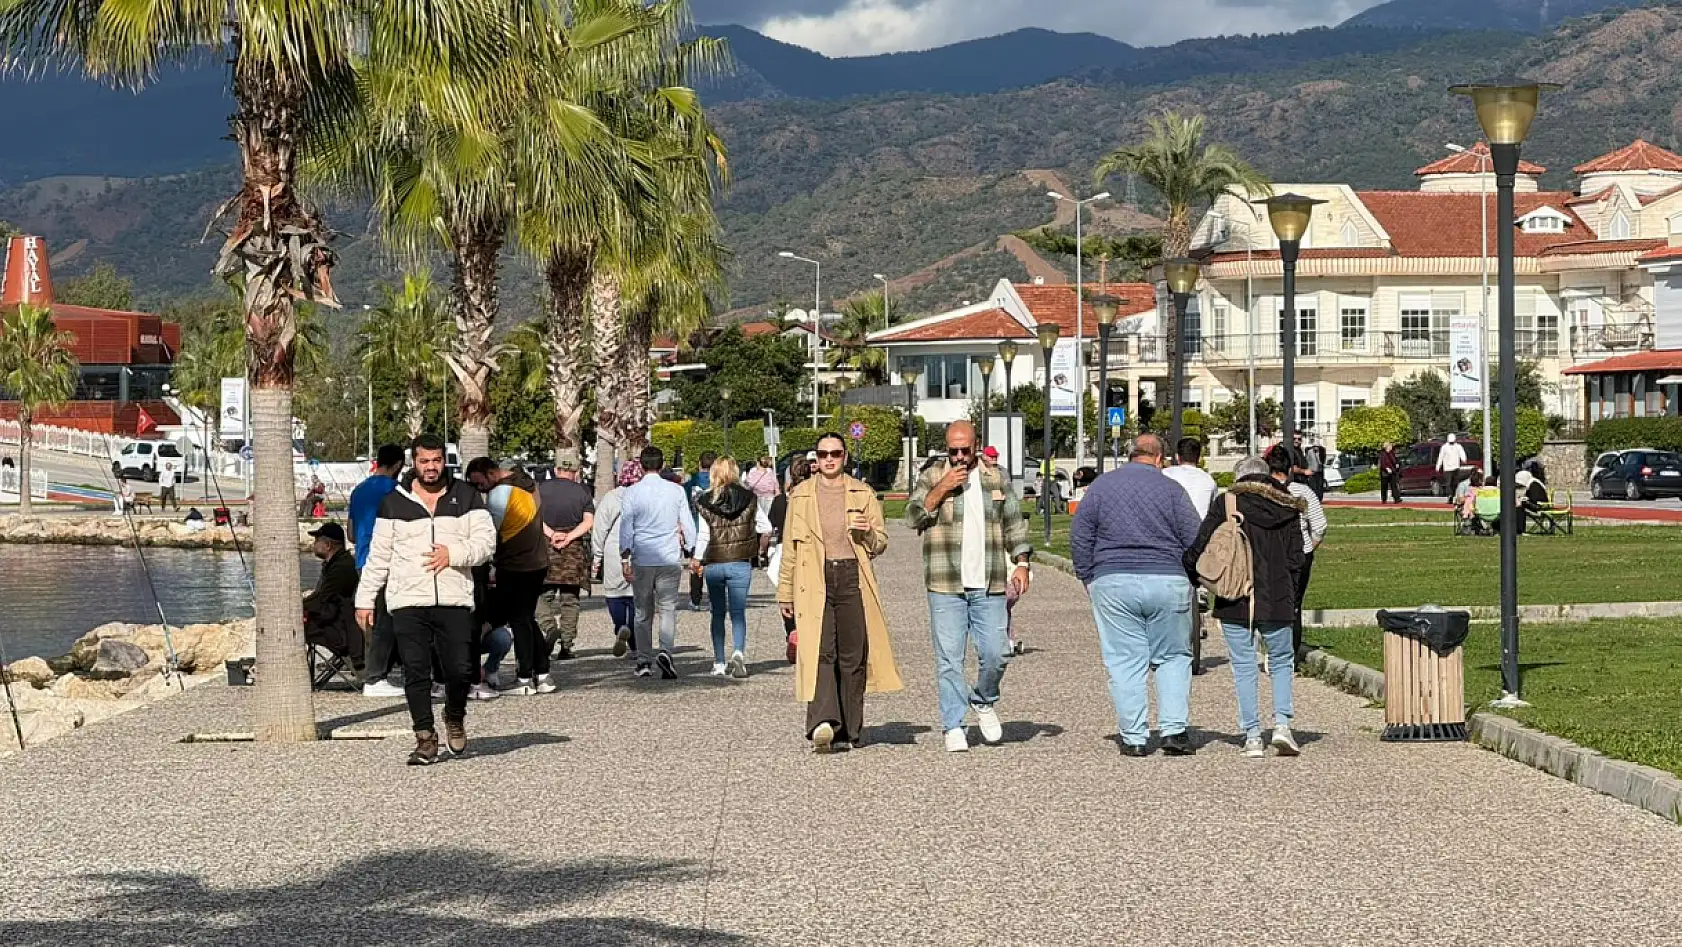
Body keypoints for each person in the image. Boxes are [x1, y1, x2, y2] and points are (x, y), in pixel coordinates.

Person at [355, 433, 495, 766]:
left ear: (444, 461)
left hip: (454, 599)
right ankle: (425, 737)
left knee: (460, 670)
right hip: (407, 600)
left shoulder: (467, 496)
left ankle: (454, 715)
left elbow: (487, 543)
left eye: (436, 461)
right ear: (413, 462)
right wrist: (365, 598)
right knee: (415, 671)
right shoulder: (394, 502)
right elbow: (379, 556)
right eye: (424, 461)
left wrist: (453, 554)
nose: (431, 467)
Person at [1072, 434, 1203, 757]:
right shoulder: (1172, 489)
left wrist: (1088, 576)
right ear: (1159, 458)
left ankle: (1134, 737)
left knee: (1124, 659)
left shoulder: (1101, 487)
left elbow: (1081, 535)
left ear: (1131, 455)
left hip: (1113, 579)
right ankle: (1174, 731)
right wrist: (1190, 578)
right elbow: (1194, 538)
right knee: (1173, 656)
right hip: (1167, 579)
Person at [907, 421, 1031, 753]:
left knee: (997, 652)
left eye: (965, 449)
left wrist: (1022, 562)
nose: (959, 456)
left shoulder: (995, 477)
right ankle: (953, 724)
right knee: (949, 659)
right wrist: (942, 488)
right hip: (945, 583)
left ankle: (983, 699)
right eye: (953, 450)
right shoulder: (933, 475)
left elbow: (1014, 522)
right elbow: (913, 516)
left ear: (976, 445)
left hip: (989, 582)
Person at [780, 432, 901, 753]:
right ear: (816, 459)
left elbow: (880, 543)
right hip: (813, 578)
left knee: (853, 655)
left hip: (852, 577)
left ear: (845, 457)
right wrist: (785, 592)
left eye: (835, 453)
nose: (829, 459)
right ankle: (823, 722)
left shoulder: (863, 493)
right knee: (819, 650)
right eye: (823, 454)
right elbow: (789, 549)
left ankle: (849, 728)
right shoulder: (801, 496)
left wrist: (867, 531)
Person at [1185, 454, 1306, 758]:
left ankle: (1252, 735)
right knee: (1281, 660)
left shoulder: (1227, 503)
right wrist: (1292, 596)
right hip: (1277, 595)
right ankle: (1282, 724)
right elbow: (1296, 558)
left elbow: (1201, 545)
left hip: (1234, 596)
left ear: (1239, 477)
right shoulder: (1288, 505)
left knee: (1243, 664)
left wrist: (1193, 575)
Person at [466, 456, 554, 696]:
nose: (480, 489)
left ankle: (524, 678)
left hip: (515, 564)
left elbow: (489, 533)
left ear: (491, 473)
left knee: (518, 620)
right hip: (537, 561)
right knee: (527, 618)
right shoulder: (527, 484)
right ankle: (542, 674)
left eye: (480, 483)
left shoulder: (499, 494)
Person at [619, 445, 699, 679]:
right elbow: (687, 522)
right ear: (662, 465)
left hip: (643, 557)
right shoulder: (676, 491)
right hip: (669, 556)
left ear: (641, 466)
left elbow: (626, 528)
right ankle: (665, 651)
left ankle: (644, 659)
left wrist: (624, 556)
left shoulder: (632, 493)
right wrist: (691, 549)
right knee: (667, 608)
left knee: (642, 611)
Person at [694, 456, 774, 679]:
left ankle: (719, 662)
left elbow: (703, 535)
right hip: (740, 561)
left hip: (715, 562)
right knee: (738, 612)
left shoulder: (705, 500)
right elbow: (766, 527)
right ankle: (738, 652)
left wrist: (697, 559)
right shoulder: (749, 498)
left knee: (717, 613)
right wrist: (756, 544)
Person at [349, 445, 405, 698]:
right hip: (387, 562)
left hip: (363, 560)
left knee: (371, 618)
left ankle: (374, 672)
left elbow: (351, 533)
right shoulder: (395, 490)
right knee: (386, 620)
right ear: (398, 465)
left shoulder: (358, 490)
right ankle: (376, 677)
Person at [535, 449, 595, 661]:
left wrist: (552, 534)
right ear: (576, 471)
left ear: (555, 469)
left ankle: (549, 627)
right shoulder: (583, 491)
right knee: (570, 599)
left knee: (540, 595)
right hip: (573, 551)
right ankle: (567, 645)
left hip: (546, 548)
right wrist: (569, 537)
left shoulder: (540, 489)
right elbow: (588, 522)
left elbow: (534, 517)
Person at [1274, 444, 1328, 664]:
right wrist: (1310, 547)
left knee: (1272, 601)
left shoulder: (1261, 492)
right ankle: (1291, 653)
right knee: (1294, 604)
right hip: (1300, 553)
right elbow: (1320, 525)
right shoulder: (1302, 492)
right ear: (1289, 470)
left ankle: (1274, 650)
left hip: (1270, 555)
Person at [591, 461, 645, 659]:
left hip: (614, 551)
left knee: (615, 595)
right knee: (636, 599)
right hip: (640, 551)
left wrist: (597, 556)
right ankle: (635, 645)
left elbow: (600, 529)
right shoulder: (645, 497)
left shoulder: (612, 497)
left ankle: (620, 626)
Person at [303, 521, 365, 679]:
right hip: (336, 619)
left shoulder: (341, 567)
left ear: (328, 545)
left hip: (339, 625)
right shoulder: (335, 564)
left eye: (317, 540)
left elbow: (324, 598)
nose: (314, 544)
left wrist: (298, 606)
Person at [767, 455, 809, 665]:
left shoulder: (781, 501)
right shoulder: (812, 498)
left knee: (787, 594)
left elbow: (772, 523)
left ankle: (792, 632)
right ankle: (807, 634)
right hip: (808, 548)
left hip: (784, 548)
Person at [685, 452, 716, 609]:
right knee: (713, 566)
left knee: (696, 565)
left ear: (699, 464)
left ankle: (695, 599)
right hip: (715, 530)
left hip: (694, 529)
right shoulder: (718, 485)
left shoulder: (689, 486)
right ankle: (714, 599)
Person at [1161, 437, 1217, 520]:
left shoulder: (1165, 474)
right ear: (1199, 458)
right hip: (1200, 526)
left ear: (1177, 457)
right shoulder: (1209, 480)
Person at [743, 454, 781, 519]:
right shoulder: (770, 472)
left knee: (758, 517)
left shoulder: (753, 471)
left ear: (758, 463)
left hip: (756, 496)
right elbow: (776, 485)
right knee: (768, 516)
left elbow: (748, 483)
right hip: (769, 497)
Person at [1437, 433, 1469, 504]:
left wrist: (1464, 459)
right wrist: (1438, 465)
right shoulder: (1444, 447)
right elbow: (1440, 457)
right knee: (1448, 483)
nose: (1451, 443)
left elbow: (1462, 453)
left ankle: (1454, 494)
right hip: (1447, 468)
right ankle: (1450, 495)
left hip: (1456, 467)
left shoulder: (1458, 446)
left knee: (1455, 483)